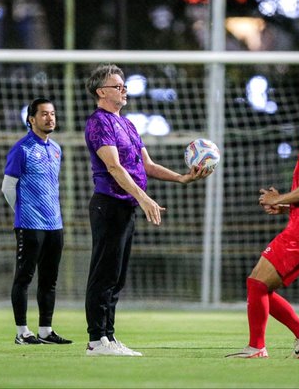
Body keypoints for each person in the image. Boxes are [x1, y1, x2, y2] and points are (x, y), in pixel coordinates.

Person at [84, 64, 212, 357]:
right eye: (118, 86)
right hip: (109, 205)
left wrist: (182, 177)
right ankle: (95, 340)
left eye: (124, 85)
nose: (124, 90)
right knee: (103, 273)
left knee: (117, 276)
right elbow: (114, 167)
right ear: (102, 91)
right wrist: (143, 198)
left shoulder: (127, 124)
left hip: (125, 206)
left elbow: (148, 166)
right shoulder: (98, 122)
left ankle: (109, 337)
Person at [226, 102, 299, 359]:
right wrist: (288, 207)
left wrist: (275, 200)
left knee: (256, 282)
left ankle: (258, 347)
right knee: (261, 287)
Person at [2, 98, 72, 345]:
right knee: (24, 278)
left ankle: (45, 330)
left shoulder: (56, 149)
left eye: (52, 113)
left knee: (49, 280)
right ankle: (22, 332)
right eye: (44, 114)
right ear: (31, 119)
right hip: (30, 225)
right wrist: (24, 212)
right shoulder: (21, 149)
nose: (50, 118)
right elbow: (8, 187)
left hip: (54, 224)